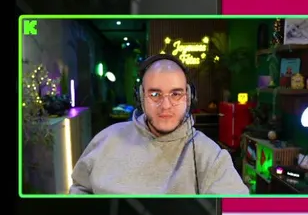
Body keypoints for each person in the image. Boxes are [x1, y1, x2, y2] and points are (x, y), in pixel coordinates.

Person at [69, 54, 249, 195]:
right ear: (141, 97)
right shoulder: (106, 139)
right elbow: (79, 189)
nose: (166, 105)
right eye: (155, 94)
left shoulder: (209, 156)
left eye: (176, 94)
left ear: (188, 97)